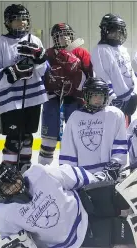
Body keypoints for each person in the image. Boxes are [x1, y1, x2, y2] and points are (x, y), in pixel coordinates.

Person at [0, 158, 137, 248]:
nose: (16, 186)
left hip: (84, 201)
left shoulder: (39, 173)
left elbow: (72, 175)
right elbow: (13, 240)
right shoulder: (4, 215)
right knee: (130, 233)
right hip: (77, 236)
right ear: (1, 196)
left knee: (121, 193)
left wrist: (100, 182)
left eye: (15, 180)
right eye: (9, 187)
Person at [0, 4, 48, 170]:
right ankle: (9, 170)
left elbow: (43, 72)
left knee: (27, 137)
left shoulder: (34, 40)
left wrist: (40, 59)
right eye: (17, 20)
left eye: (24, 19)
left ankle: (24, 170)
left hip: (33, 98)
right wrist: (13, 73)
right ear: (8, 22)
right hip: (11, 101)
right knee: (14, 137)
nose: (21, 23)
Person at [38, 23, 93, 166]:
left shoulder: (81, 53)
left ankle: (75, 169)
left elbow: (90, 76)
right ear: (54, 38)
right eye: (61, 36)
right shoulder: (48, 53)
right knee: (48, 139)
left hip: (75, 100)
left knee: (76, 136)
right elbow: (41, 76)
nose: (65, 38)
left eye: (68, 35)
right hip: (52, 99)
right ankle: (43, 170)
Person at [59, 77, 128, 175]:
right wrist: (70, 174)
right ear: (87, 96)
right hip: (84, 177)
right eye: (94, 95)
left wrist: (115, 165)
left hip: (110, 174)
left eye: (101, 95)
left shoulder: (115, 115)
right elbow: (68, 148)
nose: (98, 99)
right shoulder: (75, 117)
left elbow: (120, 143)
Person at [91, 13, 137, 122]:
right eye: (114, 31)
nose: (117, 34)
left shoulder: (123, 49)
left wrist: (131, 94)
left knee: (123, 132)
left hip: (128, 97)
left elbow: (128, 72)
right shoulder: (100, 50)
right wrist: (112, 97)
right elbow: (101, 76)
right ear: (105, 31)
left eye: (119, 31)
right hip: (113, 99)